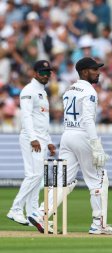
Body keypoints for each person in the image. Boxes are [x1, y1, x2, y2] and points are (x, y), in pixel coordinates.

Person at [28, 57, 112, 235]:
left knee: (64, 181)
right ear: (84, 72)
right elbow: (87, 120)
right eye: (94, 69)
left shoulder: (69, 90)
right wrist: (96, 144)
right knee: (98, 179)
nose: (98, 72)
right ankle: (98, 224)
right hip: (83, 136)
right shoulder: (89, 92)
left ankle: (40, 214)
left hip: (67, 135)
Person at [7, 60, 56, 226]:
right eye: (42, 72)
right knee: (34, 175)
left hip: (41, 138)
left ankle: (33, 214)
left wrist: (48, 141)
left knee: (37, 176)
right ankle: (15, 209)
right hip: (31, 138)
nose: (46, 75)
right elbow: (26, 116)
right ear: (35, 73)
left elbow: (41, 120)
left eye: (48, 72)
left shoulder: (42, 91)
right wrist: (33, 138)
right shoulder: (28, 90)